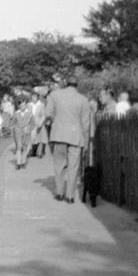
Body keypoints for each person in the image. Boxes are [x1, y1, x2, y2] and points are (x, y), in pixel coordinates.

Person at [45, 73, 91, 204]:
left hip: (59, 134)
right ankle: (70, 196)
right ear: (77, 85)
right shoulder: (83, 100)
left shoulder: (55, 95)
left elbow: (48, 113)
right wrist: (86, 142)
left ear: (65, 83)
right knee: (73, 166)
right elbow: (85, 124)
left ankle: (59, 193)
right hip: (76, 136)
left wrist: (57, 120)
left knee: (59, 165)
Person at [10, 96, 34, 169]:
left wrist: (29, 128)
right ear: (19, 106)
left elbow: (33, 123)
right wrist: (13, 129)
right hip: (18, 133)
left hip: (26, 133)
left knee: (25, 148)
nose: (23, 107)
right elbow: (12, 123)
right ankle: (18, 163)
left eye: (24, 105)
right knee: (19, 148)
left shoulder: (29, 113)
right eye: (21, 105)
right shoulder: (16, 113)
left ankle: (23, 161)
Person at [29, 91, 48, 158]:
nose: (33, 98)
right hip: (31, 123)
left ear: (37, 97)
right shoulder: (29, 105)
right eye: (32, 96)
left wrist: (41, 122)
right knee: (32, 138)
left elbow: (43, 115)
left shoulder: (41, 105)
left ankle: (40, 153)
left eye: (35, 96)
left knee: (40, 138)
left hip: (39, 122)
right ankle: (33, 151)